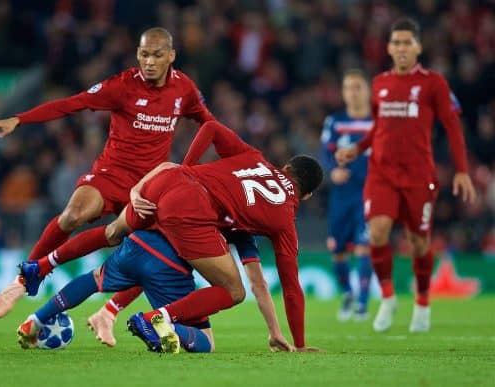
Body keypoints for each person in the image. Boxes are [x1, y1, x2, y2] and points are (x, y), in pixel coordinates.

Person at [0, 27, 214, 318]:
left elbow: (209, 125)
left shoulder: (184, 90)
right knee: (72, 215)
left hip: (149, 187)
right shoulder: (122, 86)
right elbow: (73, 104)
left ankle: (109, 313)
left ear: (171, 56)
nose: (150, 62)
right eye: (144, 54)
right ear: (137, 54)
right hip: (112, 174)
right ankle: (26, 278)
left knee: (141, 249)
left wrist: (211, 162)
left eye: (157, 55)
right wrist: (19, 119)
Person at [91, 120, 323, 353]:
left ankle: (109, 308)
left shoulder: (254, 161)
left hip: (170, 184)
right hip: (192, 213)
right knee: (232, 292)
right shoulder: (280, 222)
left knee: (130, 242)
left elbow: (210, 127)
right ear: (307, 196)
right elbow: (287, 288)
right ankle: (156, 318)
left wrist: (185, 168)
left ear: (286, 168)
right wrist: (299, 344)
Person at [336, 18, 476, 333]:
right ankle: (387, 297)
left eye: (406, 42)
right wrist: (357, 149)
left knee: (418, 242)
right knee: (377, 232)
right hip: (382, 172)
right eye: (396, 42)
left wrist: (463, 171)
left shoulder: (433, 83)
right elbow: (379, 129)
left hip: (418, 175)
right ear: (388, 47)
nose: (401, 48)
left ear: (418, 47)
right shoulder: (380, 83)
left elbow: (452, 127)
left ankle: (423, 302)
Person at [17, 229, 296, 353]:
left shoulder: (199, 186)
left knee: (94, 278)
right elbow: (256, 282)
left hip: (138, 241)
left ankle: (37, 319)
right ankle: (158, 323)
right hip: (170, 264)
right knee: (206, 342)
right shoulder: (244, 226)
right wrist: (275, 331)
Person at [320, 69, 373, 321]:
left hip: (369, 193)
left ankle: (362, 304)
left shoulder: (377, 122)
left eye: (358, 87)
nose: (353, 92)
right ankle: (348, 293)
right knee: (338, 251)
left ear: (367, 91)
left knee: (365, 246)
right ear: (343, 92)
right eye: (348, 87)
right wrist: (332, 171)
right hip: (341, 196)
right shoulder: (335, 122)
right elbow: (325, 155)